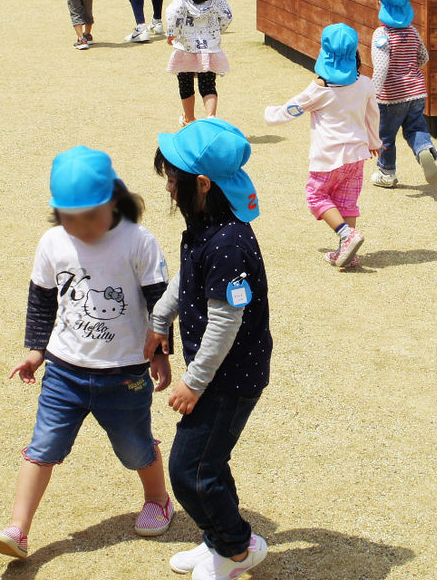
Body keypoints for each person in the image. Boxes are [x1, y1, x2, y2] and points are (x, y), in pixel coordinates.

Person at [0, 147, 176, 560]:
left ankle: (158, 499)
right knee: (43, 447)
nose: (80, 227)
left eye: (90, 216)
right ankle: (18, 529)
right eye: (69, 217)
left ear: (113, 202)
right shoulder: (53, 242)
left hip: (124, 373)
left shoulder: (137, 241)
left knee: (135, 447)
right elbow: (42, 299)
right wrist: (36, 352)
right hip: (64, 371)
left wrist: (161, 353)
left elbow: (159, 301)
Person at [146, 119, 272, 580]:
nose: (168, 189)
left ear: (202, 185)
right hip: (217, 374)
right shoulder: (206, 227)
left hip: (228, 379)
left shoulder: (229, 243)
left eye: (172, 179)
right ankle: (218, 540)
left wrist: (193, 382)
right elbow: (187, 278)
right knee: (206, 464)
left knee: (190, 470)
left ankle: (237, 550)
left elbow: (226, 319)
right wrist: (160, 320)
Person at [264, 24, 381, 270]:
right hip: (356, 156)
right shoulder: (365, 84)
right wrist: (374, 142)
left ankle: (345, 235)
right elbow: (373, 116)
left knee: (316, 196)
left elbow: (292, 109)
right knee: (347, 201)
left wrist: (270, 115)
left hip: (328, 156)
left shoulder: (320, 89)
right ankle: (347, 252)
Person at [369, 0, 437, 188]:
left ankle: (387, 173)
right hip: (417, 92)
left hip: (392, 97)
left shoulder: (382, 35)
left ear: (380, 4)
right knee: (415, 129)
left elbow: (381, 68)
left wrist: (372, 94)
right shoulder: (412, 32)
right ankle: (424, 149)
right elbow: (424, 58)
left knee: (386, 136)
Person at [165, 0, 232, 127]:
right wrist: (218, 30)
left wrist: (172, 33)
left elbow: (173, 14)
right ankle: (211, 117)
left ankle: (189, 119)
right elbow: (227, 16)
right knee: (208, 84)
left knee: (185, 83)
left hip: (186, 48)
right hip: (209, 49)